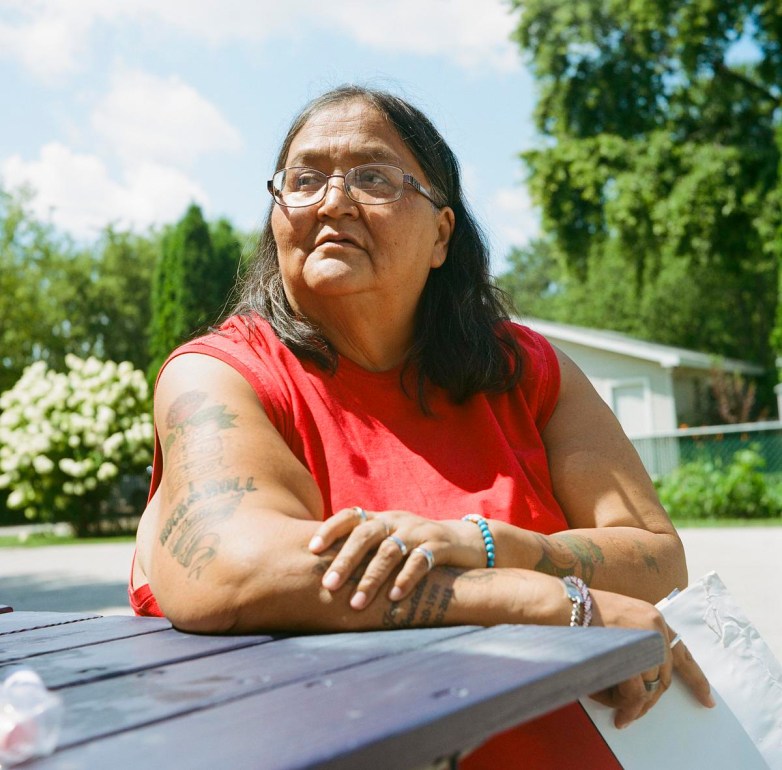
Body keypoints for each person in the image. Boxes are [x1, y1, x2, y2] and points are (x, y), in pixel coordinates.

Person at [129, 85, 713, 767]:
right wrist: (544, 603)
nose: (333, 200)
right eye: (303, 179)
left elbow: (656, 556)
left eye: (373, 176)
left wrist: (489, 545)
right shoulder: (220, 374)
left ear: (441, 233)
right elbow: (231, 571)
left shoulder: (528, 372)